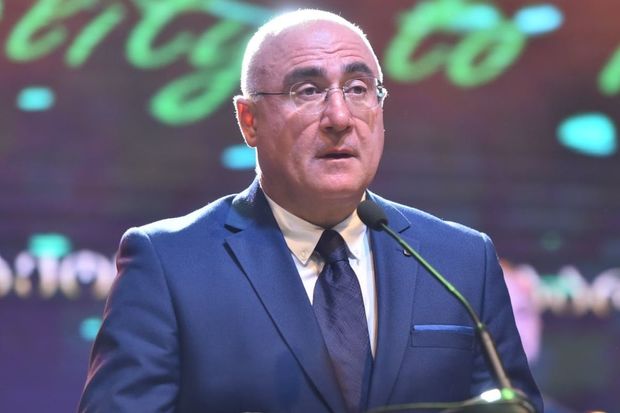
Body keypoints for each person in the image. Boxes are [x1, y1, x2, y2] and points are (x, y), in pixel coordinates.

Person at [78, 9, 542, 413]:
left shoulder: (460, 261)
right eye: (307, 90)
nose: (339, 117)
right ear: (249, 120)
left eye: (358, 88)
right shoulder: (170, 263)